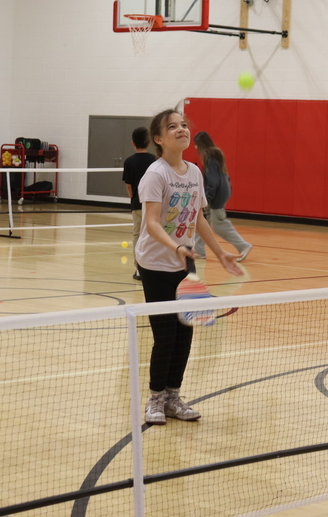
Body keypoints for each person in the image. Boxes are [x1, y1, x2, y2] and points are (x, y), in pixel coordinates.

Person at [136, 109, 243, 425]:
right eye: (173, 127)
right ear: (159, 139)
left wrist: (221, 253)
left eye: (184, 125)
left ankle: (173, 397)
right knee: (165, 334)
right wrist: (176, 246)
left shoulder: (194, 172)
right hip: (156, 264)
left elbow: (197, 217)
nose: (182, 129)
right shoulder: (156, 174)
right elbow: (152, 223)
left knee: (185, 334)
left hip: (184, 262)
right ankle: (155, 399)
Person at [191, 131, 252, 262]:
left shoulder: (209, 155)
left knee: (218, 224)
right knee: (202, 220)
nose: (195, 147)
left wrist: (207, 198)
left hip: (217, 192)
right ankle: (199, 250)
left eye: (196, 144)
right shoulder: (215, 153)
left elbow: (212, 181)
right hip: (224, 189)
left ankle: (243, 245)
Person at [122, 126, 156, 281]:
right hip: (154, 204)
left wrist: (133, 198)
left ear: (132, 143)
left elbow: (128, 185)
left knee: (138, 234)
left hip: (137, 204)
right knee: (154, 234)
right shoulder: (155, 160)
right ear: (149, 142)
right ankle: (153, 266)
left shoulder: (129, 161)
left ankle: (139, 268)